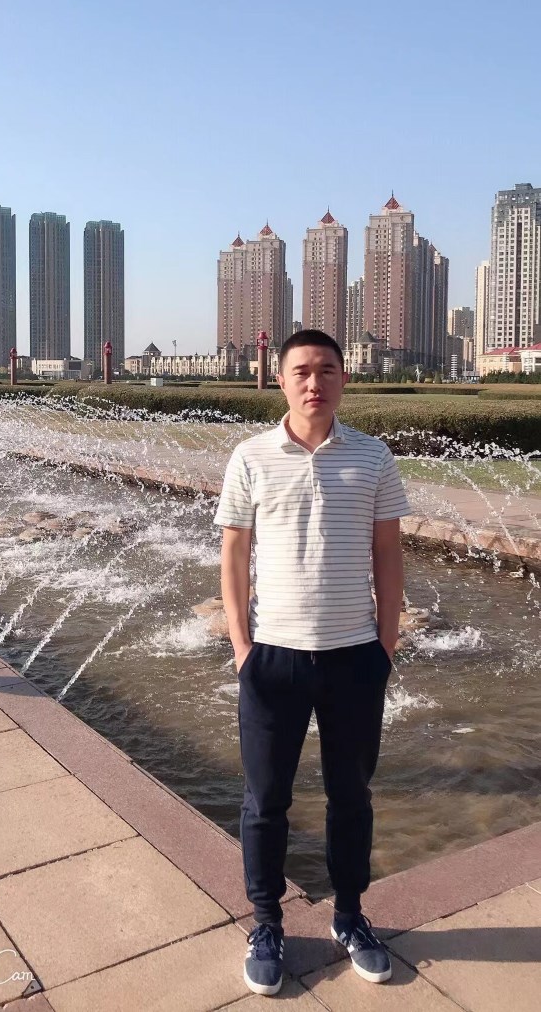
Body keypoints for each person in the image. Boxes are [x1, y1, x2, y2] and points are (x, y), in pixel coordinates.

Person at [214, 329, 411, 997]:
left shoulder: (374, 457)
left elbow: (388, 553)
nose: (314, 382)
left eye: (327, 369)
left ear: (344, 378)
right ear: (280, 379)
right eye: (301, 370)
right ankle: (266, 924)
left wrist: (386, 644)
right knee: (265, 800)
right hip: (273, 658)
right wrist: (242, 646)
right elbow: (234, 555)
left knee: (350, 796)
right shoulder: (250, 456)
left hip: (354, 657)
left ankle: (350, 916)